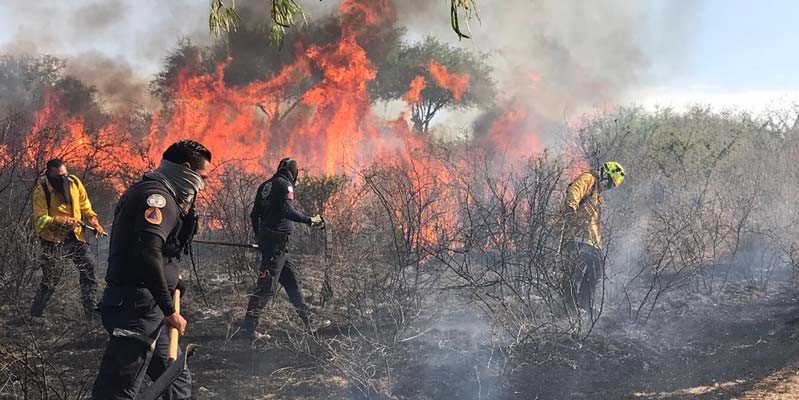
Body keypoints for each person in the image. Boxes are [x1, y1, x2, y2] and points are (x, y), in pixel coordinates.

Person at [92, 140, 211, 400]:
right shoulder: (157, 199)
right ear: (186, 169)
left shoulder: (165, 196)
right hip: (135, 309)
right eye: (201, 177)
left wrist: (172, 279)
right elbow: (148, 253)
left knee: (175, 379)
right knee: (118, 390)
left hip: (149, 309)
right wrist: (170, 309)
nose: (202, 184)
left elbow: (162, 251)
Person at [242, 157, 326, 337]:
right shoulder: (285, 185)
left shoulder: (266, 185)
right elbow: (287, 211)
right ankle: (248, 328)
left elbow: (254, 215)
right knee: (266, 287)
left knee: (293, 282)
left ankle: (310, 322)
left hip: (277, 247)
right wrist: (309, 220)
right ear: (293, 172)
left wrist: (260, 236)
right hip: (276, 245)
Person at [30, 158, 104, 320]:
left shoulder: (74, 182)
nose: (63, 179)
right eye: (58, 177)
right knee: (52, 276)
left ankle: (90, 310)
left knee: (88, 267)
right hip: (53, 239)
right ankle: (35, 313)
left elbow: (85, 205)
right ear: (49, 176)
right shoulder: (42, 191)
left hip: (75, 236)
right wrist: (62, 220)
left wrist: (94, 221)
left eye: (64, 175)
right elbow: (40, 220)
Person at [560, 161, 625, 313]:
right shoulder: (588, 178)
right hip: (578, 237)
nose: (608, 187)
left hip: (592, 242)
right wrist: (571, 206)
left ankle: (584, 307)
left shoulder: (598, 195)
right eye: (609, 183)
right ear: (604, 174)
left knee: (595, 273)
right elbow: (575, 191)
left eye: (612, 186)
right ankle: (568, 309)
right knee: (574, 274)